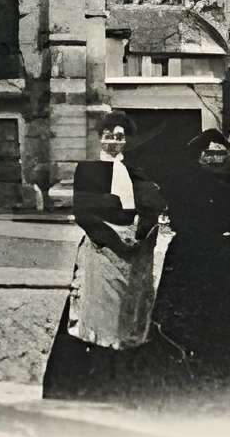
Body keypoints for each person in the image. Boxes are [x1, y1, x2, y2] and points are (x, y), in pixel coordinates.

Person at [40, 112, 160, 400]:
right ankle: (92, 382)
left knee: (129, 317)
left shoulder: (136, 171)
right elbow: (84, 212)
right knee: (96, 317)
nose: (113, 141)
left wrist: (141, 233)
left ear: (126, 140)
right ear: (99, 137)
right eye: (108, 135)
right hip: (102, 248)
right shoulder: (89, 170)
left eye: (119, 137)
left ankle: (124, 382)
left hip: (133, 254)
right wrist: (114, 237)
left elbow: (151, 204)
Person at [143, 127, 230, 407]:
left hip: (206, 257)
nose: (215, 159)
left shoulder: (213, 181)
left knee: (207, 318)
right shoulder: (201, 181)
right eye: (211, 154)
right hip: (203, 257)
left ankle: (203, 372)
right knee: (198, 317)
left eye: (219, 154)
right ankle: (197, 374)